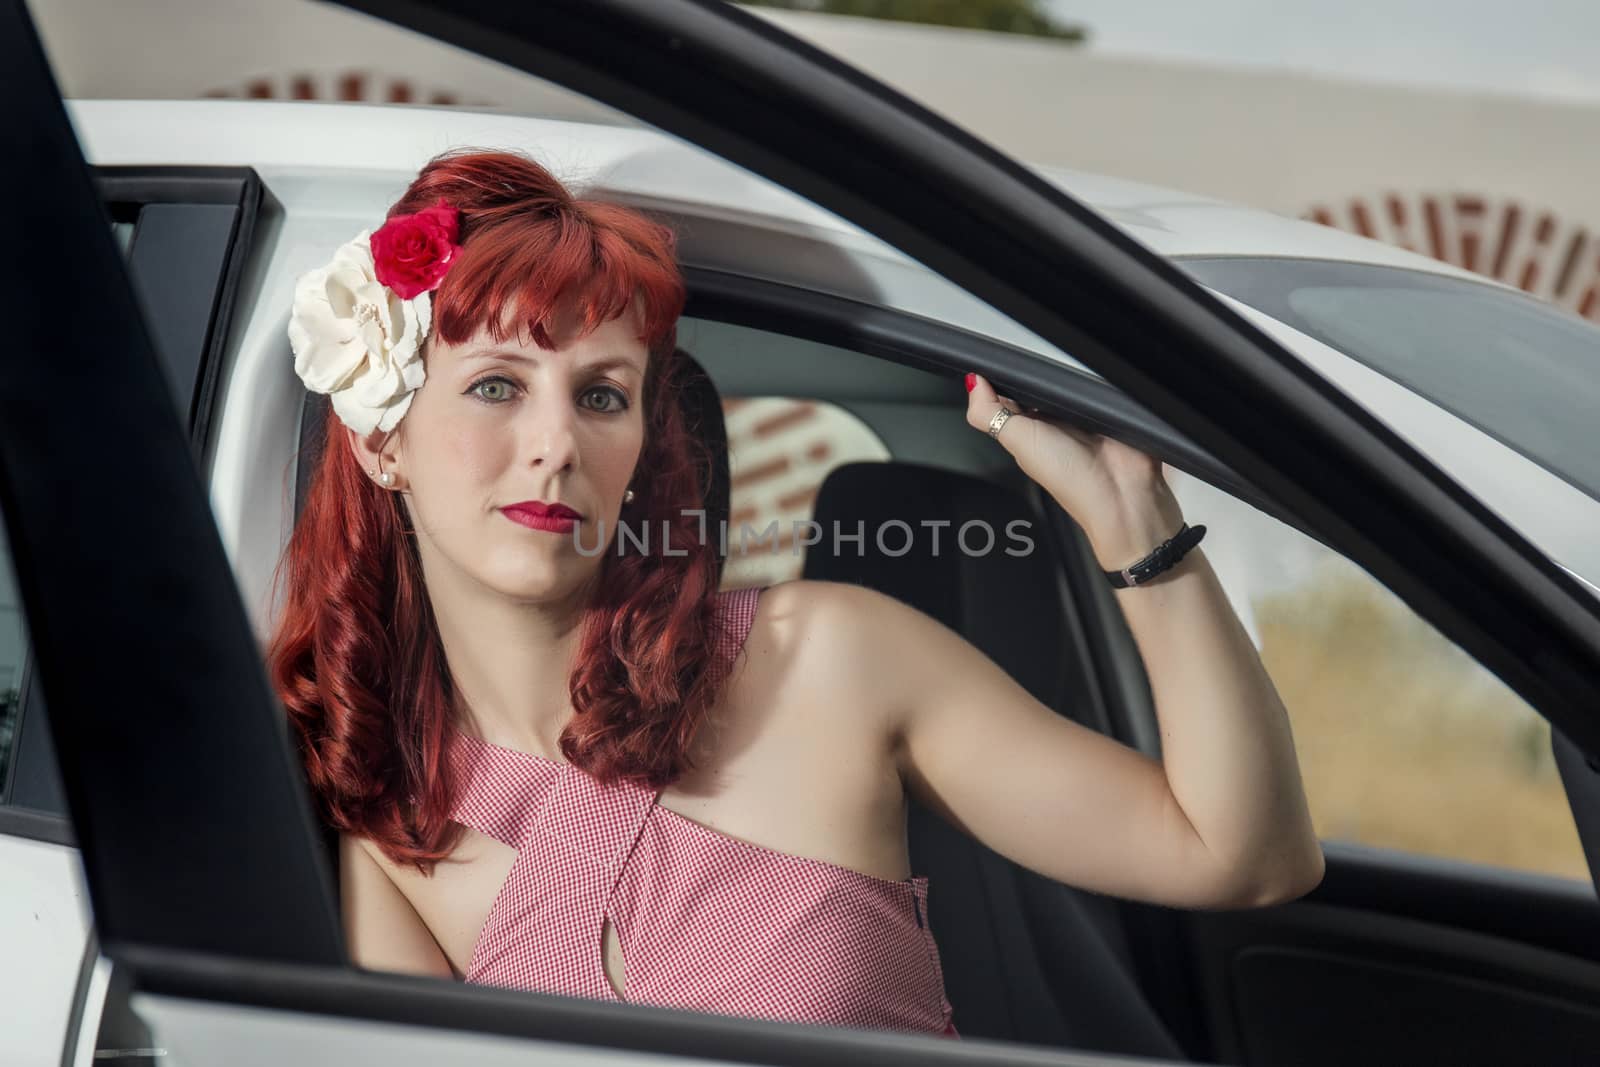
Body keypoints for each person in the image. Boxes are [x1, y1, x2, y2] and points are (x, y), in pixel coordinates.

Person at [268, 148, 1323, 1040]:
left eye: (601, 394)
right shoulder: (375, 819)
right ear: (378, 437)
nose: (554, 445)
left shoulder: (826, 657)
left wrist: (1133, 517)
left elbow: (1248, 856)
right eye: (497, 384)